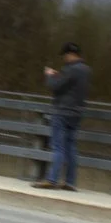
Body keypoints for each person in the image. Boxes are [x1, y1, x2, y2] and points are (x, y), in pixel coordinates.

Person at [38, 42, 91, 189]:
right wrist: (59, 75)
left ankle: (52, 179)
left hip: (62, 111)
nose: (64, 59)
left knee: (58, 147)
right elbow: (71, 85)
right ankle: (70, 182)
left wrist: (49, 76)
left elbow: (55, 87)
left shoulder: (70, 69)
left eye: (64, 56)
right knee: (71, 147)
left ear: (69, 54)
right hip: (77, 112)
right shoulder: (86, 70)